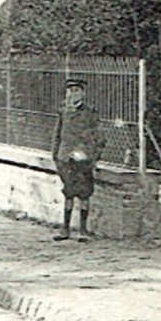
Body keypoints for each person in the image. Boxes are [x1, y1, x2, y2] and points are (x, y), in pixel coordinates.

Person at [52, 79, 103, 243]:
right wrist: (56, 156)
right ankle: (65, 228)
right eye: (70, 90)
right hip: (65, 158)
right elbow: (57, 135)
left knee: (84, 193)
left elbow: (98, 137)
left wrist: (92, 157)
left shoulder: (89, 113)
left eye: (76, 90)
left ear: (83, 93)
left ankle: (83, 229)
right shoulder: (63, 112)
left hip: (83, 159)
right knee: (68, 192)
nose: (73, 94)